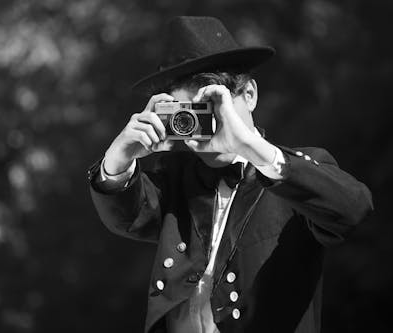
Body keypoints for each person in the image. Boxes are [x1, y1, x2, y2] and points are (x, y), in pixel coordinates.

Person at [87, 16, 373, 333]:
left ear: (249, 94)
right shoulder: (174, 179)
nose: (207, 122)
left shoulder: (294, 169)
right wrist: (118, 156)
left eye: (211, 104)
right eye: (189, 112)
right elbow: (125, 217)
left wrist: (250, 146)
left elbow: (353, 210)